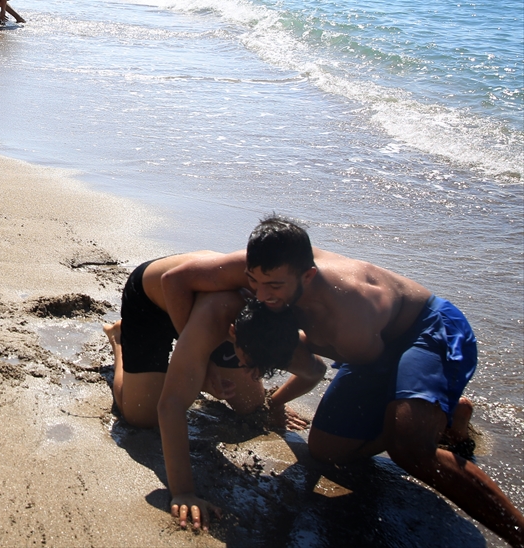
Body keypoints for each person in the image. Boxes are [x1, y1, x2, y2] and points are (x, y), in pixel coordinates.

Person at [163, 215, 524, 547]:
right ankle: (436, 416)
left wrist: (268, 351)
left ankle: (514, 527)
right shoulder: (268, 265)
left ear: (307, 275)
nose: (261, 295)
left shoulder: (346, 315)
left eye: (273, 286)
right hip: (370, 346)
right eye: (254, 282)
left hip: (426, 331)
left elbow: (360, 364)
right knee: (324, 450)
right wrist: (208, 362)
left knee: (408, 445)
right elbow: (175, 279)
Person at [105, 252, 324, 534]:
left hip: (209, 317)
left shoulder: (279, 335)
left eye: (259, 369)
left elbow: (315, 372)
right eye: (249, 364)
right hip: (152, 303)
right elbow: (170, 407)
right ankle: (120, 341)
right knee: (141, 416)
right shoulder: (215, 318)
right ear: (233, 335)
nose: (253, 373)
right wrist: (183, 492)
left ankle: (192, 362)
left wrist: (276, 403)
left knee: (252, 405)